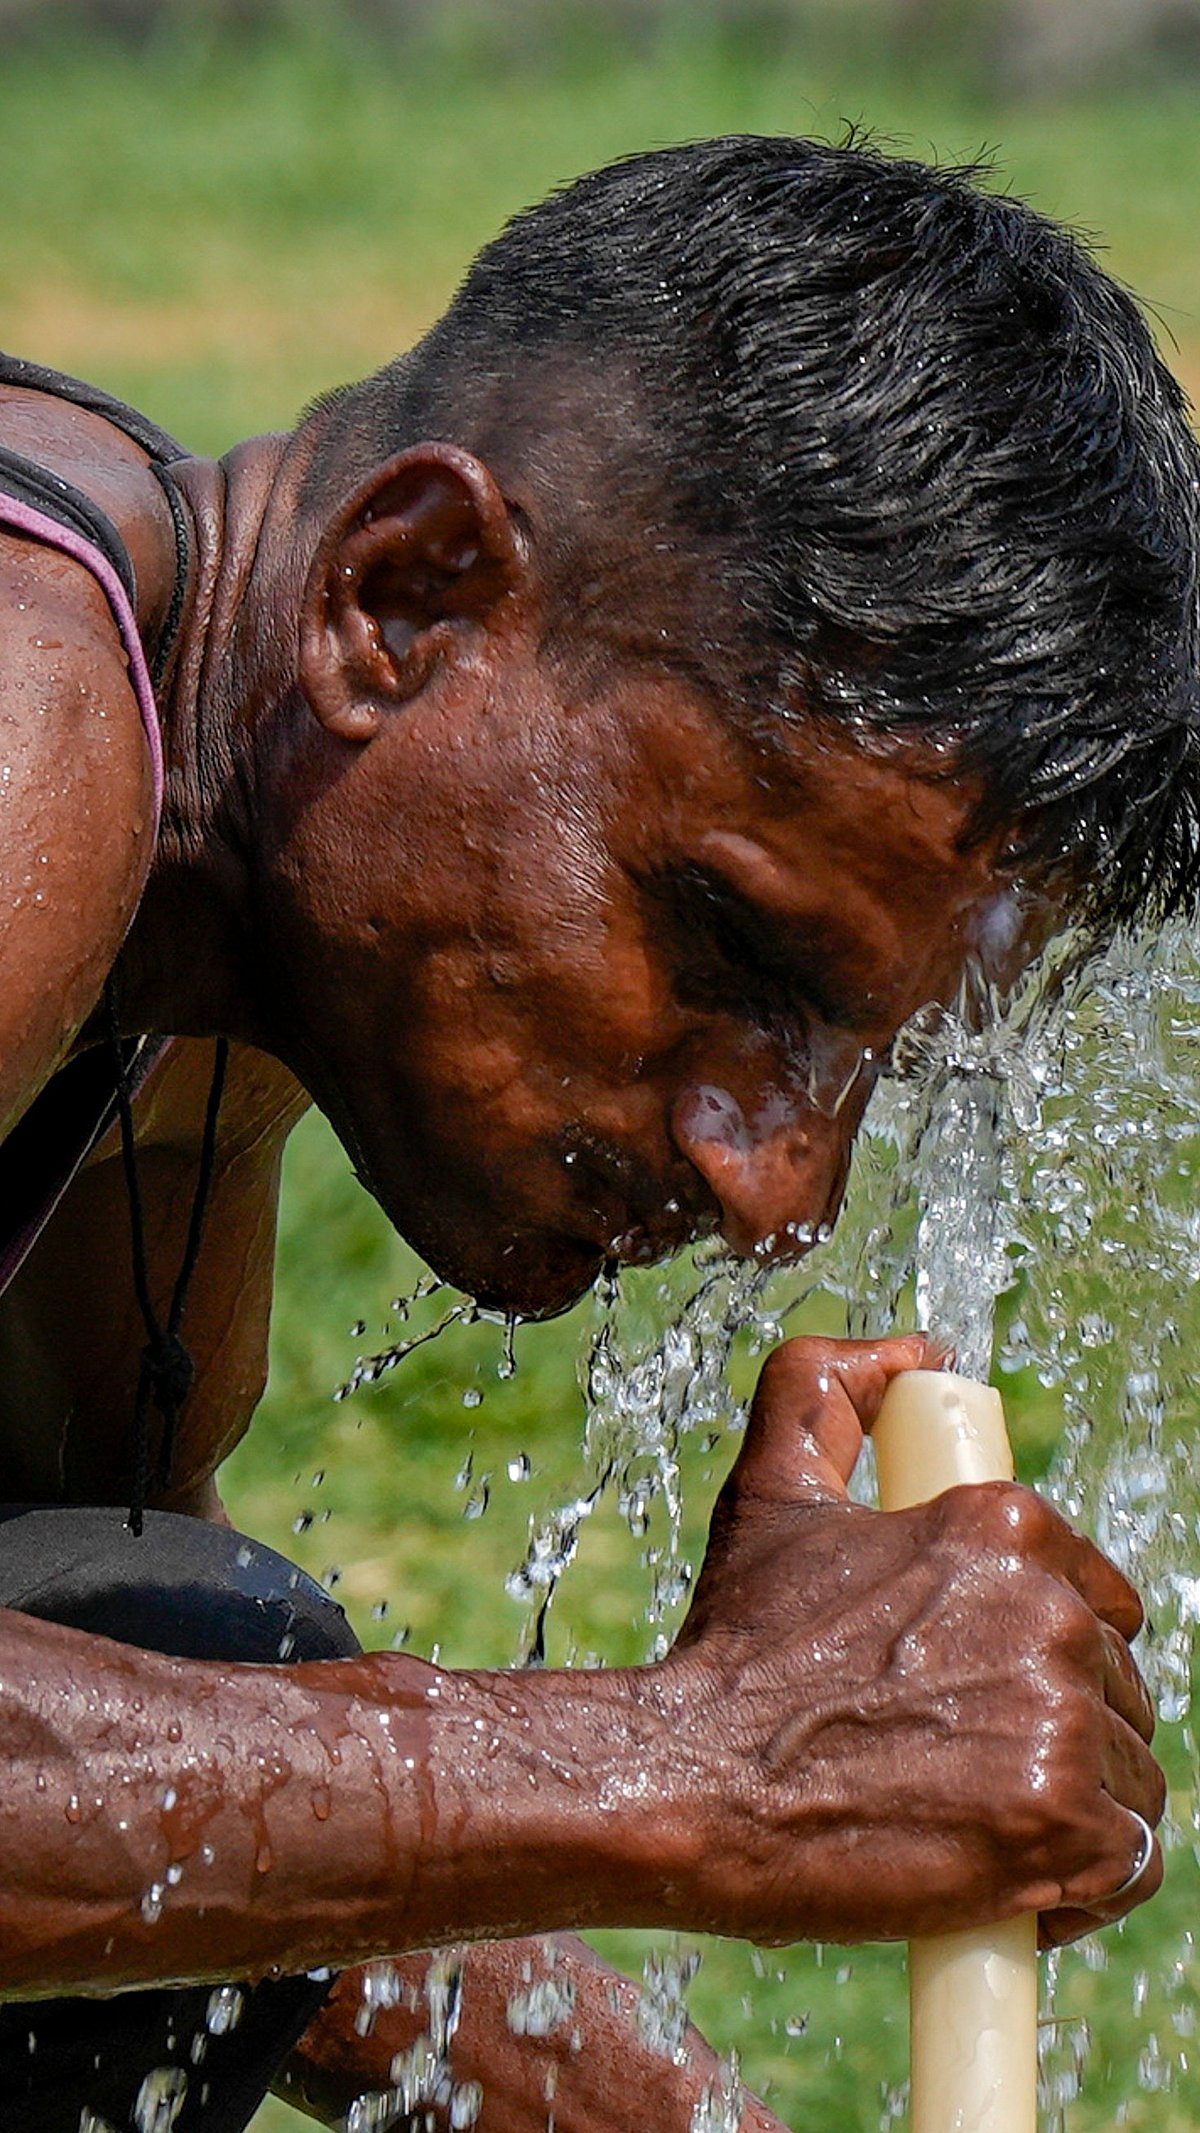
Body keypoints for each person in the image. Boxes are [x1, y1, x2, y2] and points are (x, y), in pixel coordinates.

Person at [0, 132, 1196, 2131]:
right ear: (406, 594)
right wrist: (704, 1767)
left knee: (176, 1632)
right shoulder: (25, 724)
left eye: (862, 1066)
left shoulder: (223, 901)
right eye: (735, 948)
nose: (776, 1184)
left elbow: (165, 1782)